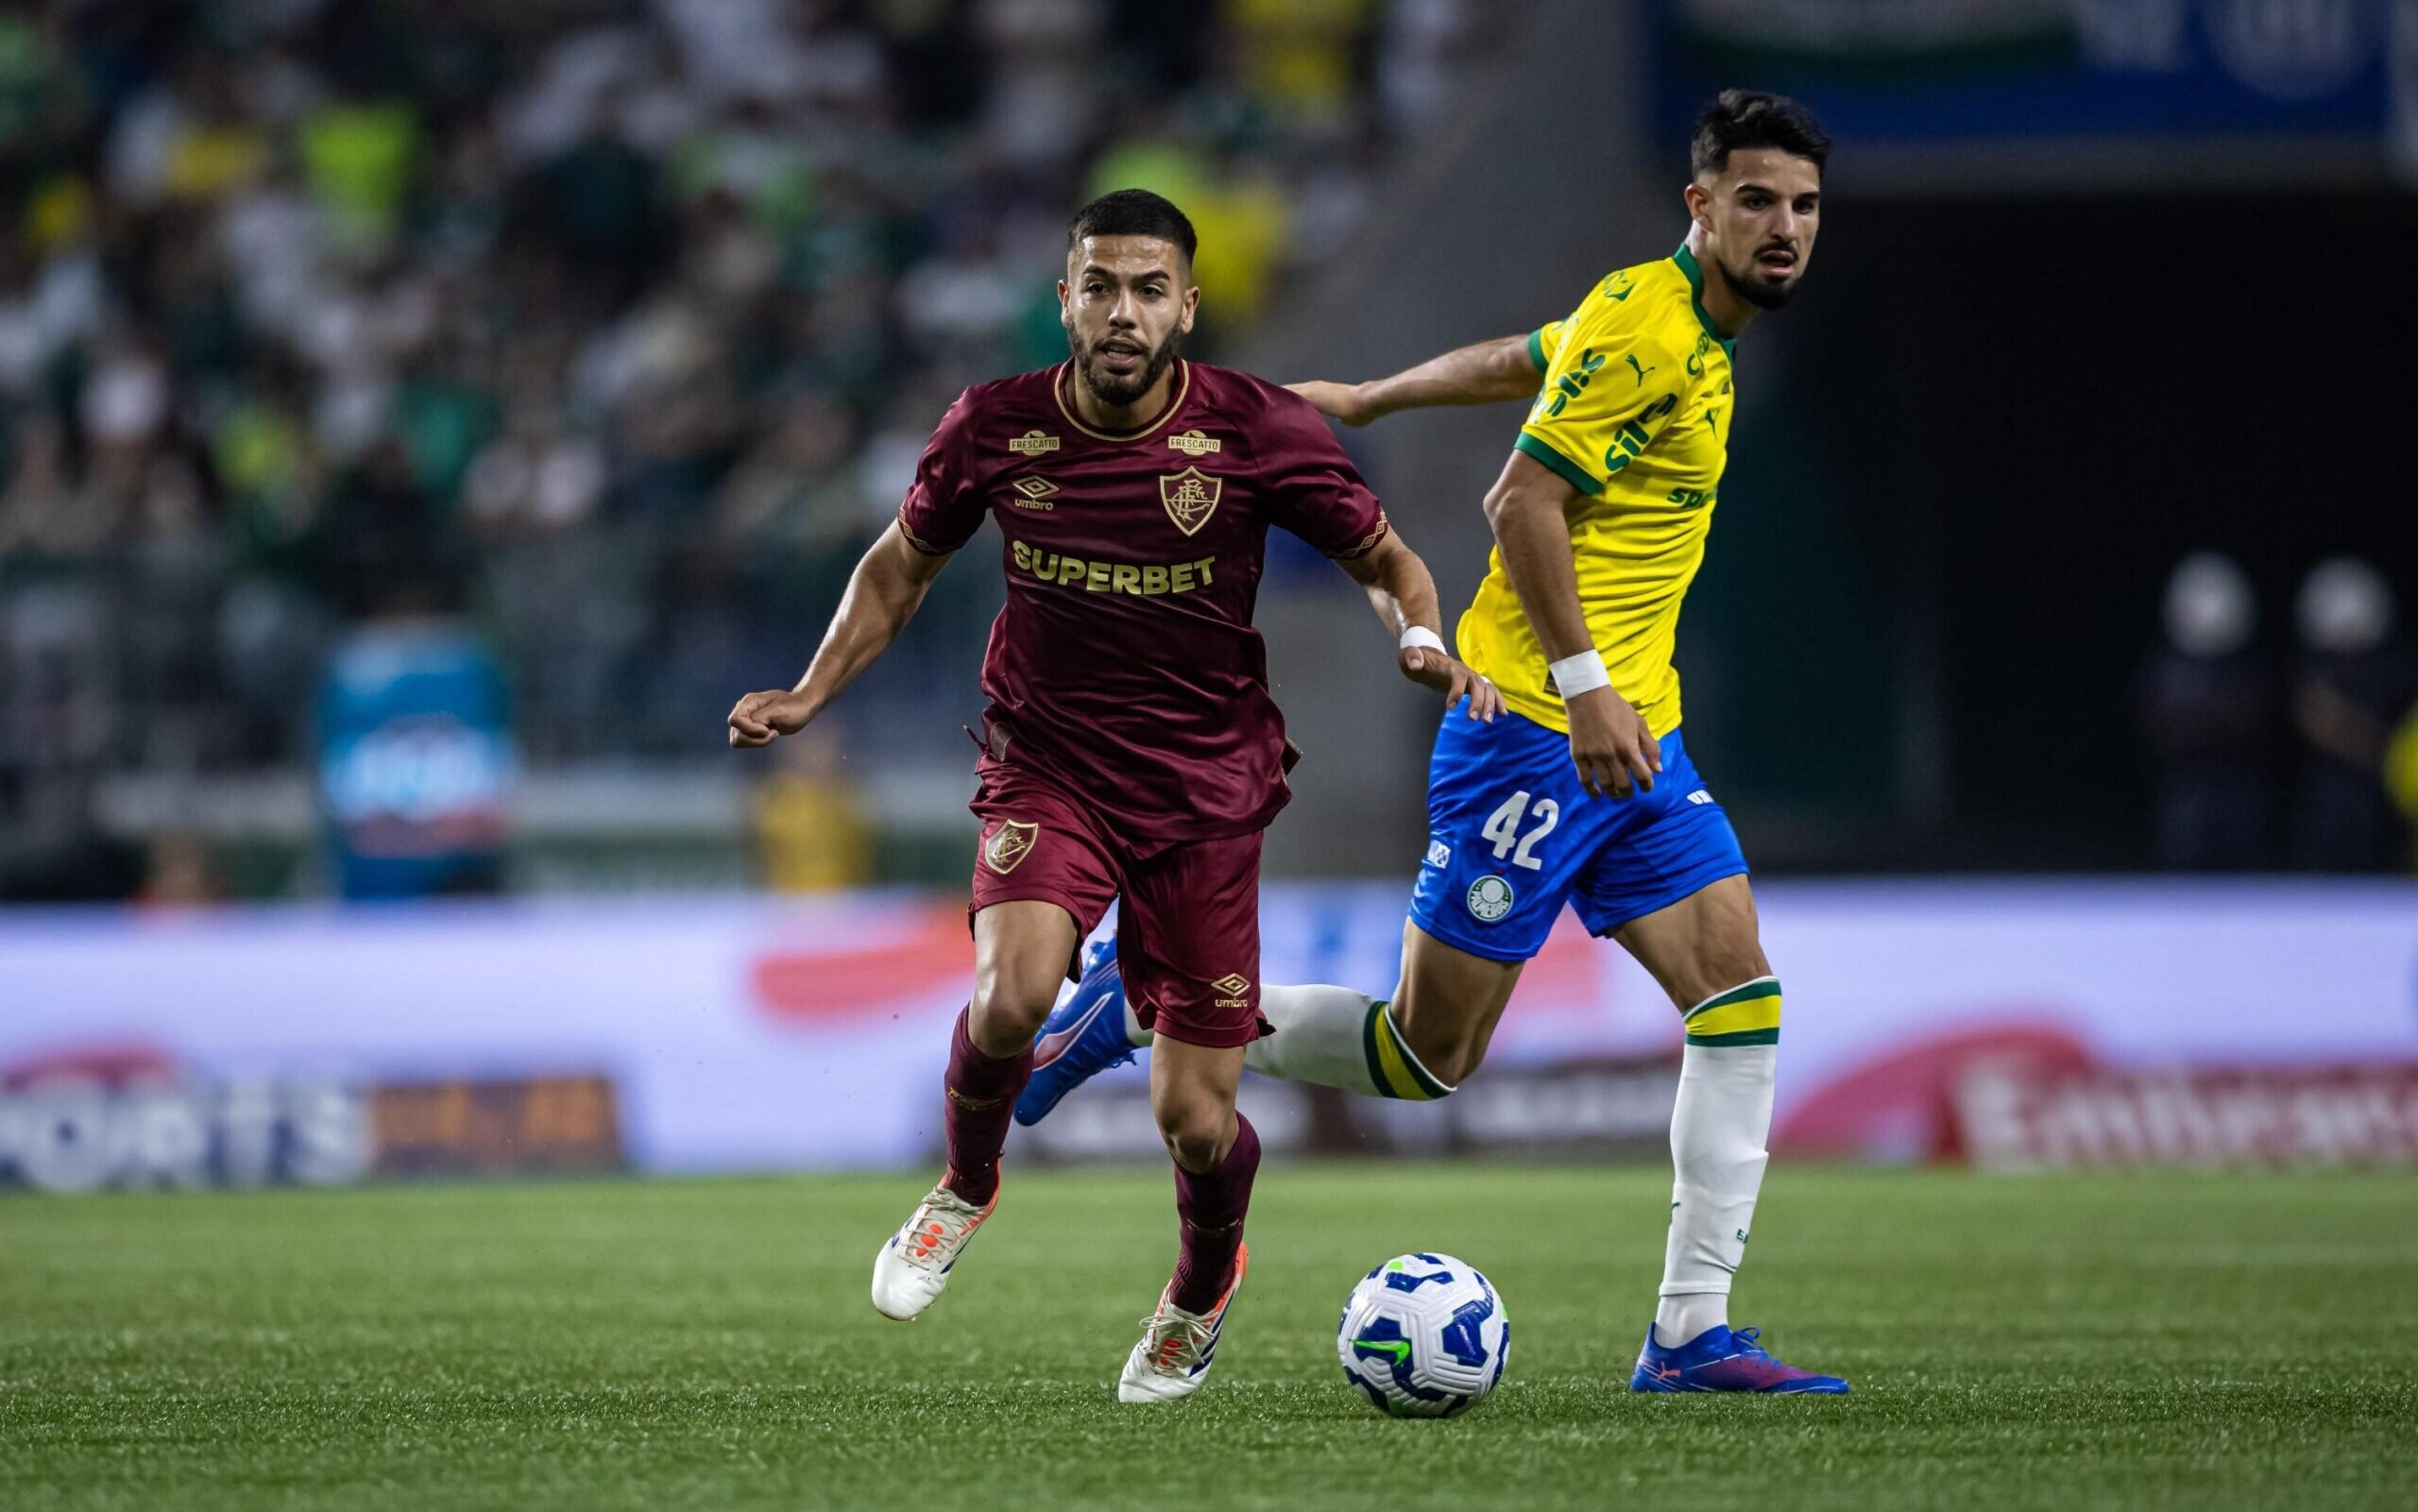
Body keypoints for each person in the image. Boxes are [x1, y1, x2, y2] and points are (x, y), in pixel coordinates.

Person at [1016, 93, 1850, 1394]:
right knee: (1425, 1057)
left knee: (1739, 997)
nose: (1784, 227)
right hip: (1535, 732)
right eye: (1757, 201)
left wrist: (1369, 395)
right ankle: (1142, 999)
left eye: (1801, 206)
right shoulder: (1652, 328)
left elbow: (1532, 356)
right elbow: (1519, 497)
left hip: (1637, 740)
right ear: (1703, 208)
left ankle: (1690, 1331)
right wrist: (1582, 689)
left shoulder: (1663, 322)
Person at [724, 190, 1496, 1402]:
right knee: (1010, 992)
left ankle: (1198, 1285)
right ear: (1066, 299)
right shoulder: (994, 425)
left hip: (1204, 790)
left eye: (1149, 289)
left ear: (1186, 303)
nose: (1123, 312)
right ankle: (964, 1186)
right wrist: (816, 689)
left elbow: (1388, 561)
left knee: (1195, 1118)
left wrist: (1416, 636)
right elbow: (898, 566)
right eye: (1101, 287)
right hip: (1049, 762)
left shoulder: (1260, 428)